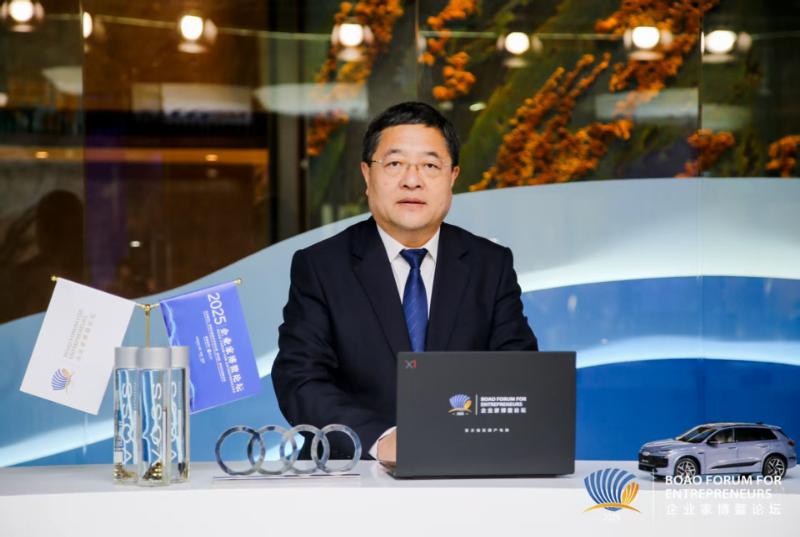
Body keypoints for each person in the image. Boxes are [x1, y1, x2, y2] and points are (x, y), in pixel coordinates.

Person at [272, 102, 538, 463]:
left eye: (430, 165)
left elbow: (518, 374)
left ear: (452, 177)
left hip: (465, 468)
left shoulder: (489, 265)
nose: (412, 180)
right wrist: (380, 440)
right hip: (352, 473)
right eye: (395, 163)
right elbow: (300, 379)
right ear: (367, 174)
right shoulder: (321, 266)